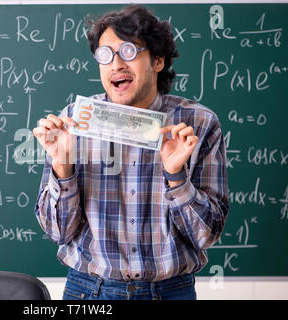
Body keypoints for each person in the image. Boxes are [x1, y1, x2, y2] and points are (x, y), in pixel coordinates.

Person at [33, 4, 229, 300]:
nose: (116, 65)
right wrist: (62, 165)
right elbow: (58, 232)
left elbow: (206, 236)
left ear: (158, 60)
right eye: (105, 55)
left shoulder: (198, 124)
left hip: (171, 291)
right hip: (89, 292)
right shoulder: (74, 122)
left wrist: (176, 176)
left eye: (128, 52)